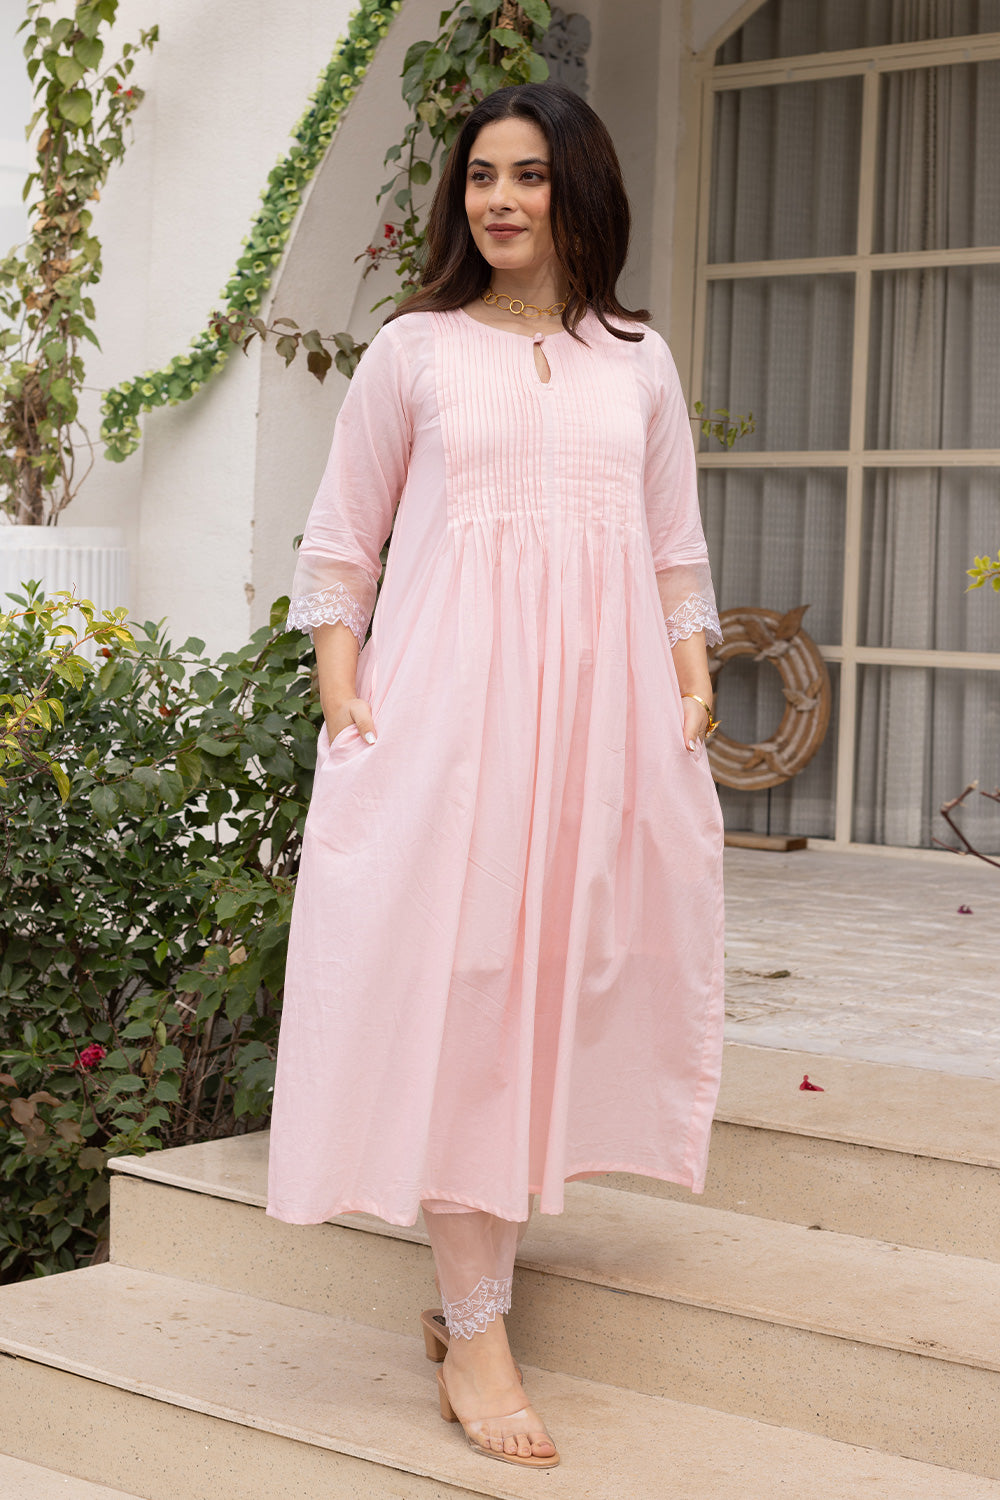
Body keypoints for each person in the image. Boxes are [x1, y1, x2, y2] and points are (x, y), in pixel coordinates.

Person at [266, 80, 725, 1470]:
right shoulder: (415, 351)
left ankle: (472, 1295)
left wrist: (692, 671)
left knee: (548, 989)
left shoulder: (636, 362)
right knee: (465, 994)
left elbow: (672, 544)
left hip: (597, 733)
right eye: (481, 177)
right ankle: (476, 1330)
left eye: (528, 174)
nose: (502, 199)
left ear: (580, 190)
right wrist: (345, 690)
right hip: (449, 729)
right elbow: (345, 540)